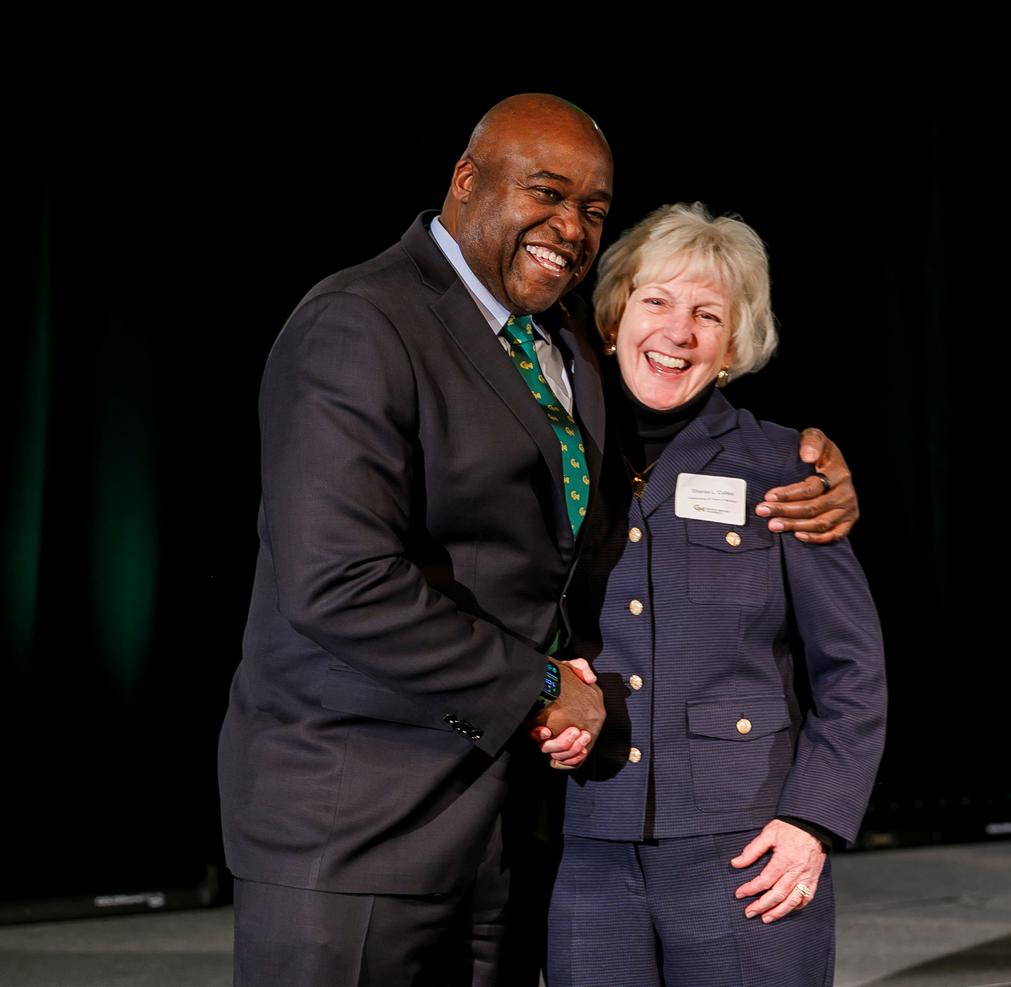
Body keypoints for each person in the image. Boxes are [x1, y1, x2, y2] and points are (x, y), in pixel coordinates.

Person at [217, 96, 859, 986]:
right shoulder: (360, 320)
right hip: (359, 825)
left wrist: (815, 467)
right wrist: (541, 686)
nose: (570, 226)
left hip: (515, 834)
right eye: (547, 193)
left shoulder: (560, 345)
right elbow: (337, 579)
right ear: (466, 180)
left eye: (594, 210)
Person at [543, 203, 887, 987]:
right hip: (589, 849)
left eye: (708, 314)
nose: (678, 331)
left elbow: (853, 672)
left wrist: (810, 822)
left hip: (746, 850)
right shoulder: (555, 455)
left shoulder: (782, 466)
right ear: (614, 314)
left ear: (733, 344)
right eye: (656, 301)